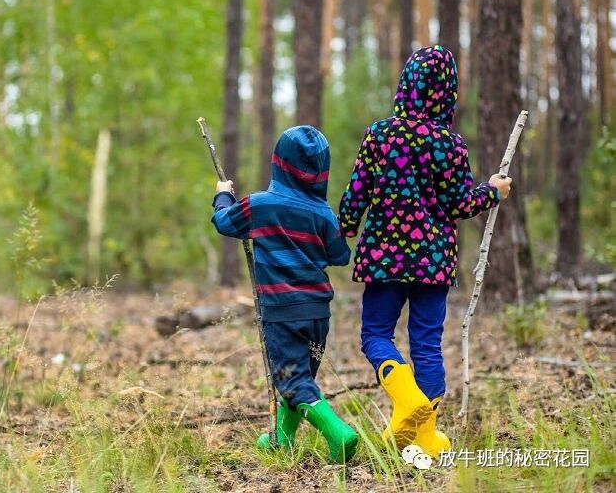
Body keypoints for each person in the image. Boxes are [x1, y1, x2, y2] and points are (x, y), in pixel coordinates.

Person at [338, 45, 512, 458]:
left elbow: (356, 193)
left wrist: (345, 228)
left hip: (383, 258)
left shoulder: (380, 134)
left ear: (406, 85)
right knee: (428, 345)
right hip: (433, 261)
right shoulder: (450, 144)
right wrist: (492, 191)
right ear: (447, 92)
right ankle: (427, 437)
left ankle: (406, 402)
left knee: (376, 335)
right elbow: (459, 205)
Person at [212, 125, 358, 463]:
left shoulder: (261, 205)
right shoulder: (322, 213)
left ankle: (338, 433)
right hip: (318, 311)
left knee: (292, 380)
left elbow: (224, 222)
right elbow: (340, 255)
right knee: (300, 376)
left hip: (282, 310)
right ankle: (282, 440)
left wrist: (223, 195)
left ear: (278, 163)